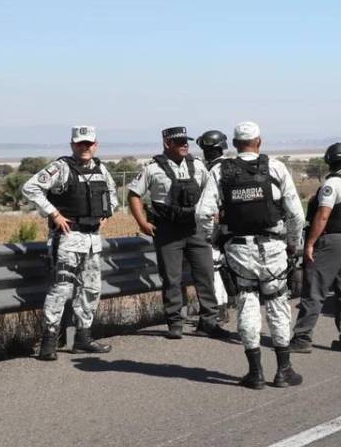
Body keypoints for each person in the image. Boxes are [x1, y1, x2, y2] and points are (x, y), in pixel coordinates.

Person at [196, 121, 306, 389]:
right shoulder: (276, 168)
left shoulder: (221, 170)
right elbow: (296, 214)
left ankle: (255, 373)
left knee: (247, 304)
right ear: (259, 141)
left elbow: (202, 213)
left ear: (234, 144)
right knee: (278, 304)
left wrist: (213, 239)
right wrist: (292, 244)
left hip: (239, 250)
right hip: (274, 248)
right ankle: (284, 370)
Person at [22, 125, 118, 360]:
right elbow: (30, 187)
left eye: (89, 143)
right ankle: (49, 341)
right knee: (61, 289)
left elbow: (113, 195)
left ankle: (83, 338)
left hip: (93, 240)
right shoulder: (61, 167)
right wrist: (53, 214)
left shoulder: (101, 168)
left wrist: (106, 212)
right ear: (72, 145)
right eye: (80, 143)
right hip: (67, 238)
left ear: (96, 145)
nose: (84, 147)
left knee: (91, 289)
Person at [127, 126, 224, 340]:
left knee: (206, 276)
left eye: (186, 141)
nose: (184, 145)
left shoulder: (198, 165)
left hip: (196, 229)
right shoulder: (152, 168)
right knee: (171, 278)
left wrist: (216, 213)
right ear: (166, 144)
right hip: (168, 231)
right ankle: (175, 323)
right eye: (179, 142)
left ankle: (209, 322)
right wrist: (142, 222)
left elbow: (213, 191)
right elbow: (134, 194)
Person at [288, 142, 341, 354]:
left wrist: (310, 243)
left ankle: (302, 337)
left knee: (314, 289)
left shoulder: (334, 183)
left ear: (330, 161)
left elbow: (323, 215)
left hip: (332, 241)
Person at [197, 129, 234, 318]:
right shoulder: (231, 166)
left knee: (213, 266)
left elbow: (208, 206)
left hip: (217, 224)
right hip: (232, 224)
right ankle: (224, 304)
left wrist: (208, 231)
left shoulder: (213, 170)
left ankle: (219, 308)